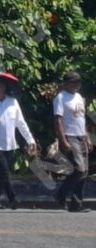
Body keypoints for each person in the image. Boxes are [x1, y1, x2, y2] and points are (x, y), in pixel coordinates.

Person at [0, 80, 37, 210]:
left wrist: (30, 140)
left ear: (3, 89)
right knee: (3, 170)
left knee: (0, 174)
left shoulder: (13, 102)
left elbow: (21, 123)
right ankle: (13, 198)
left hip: (9, 143)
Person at [52, 71, 90, 212]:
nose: (76, 85)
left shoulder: (79, 97)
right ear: (66, 83)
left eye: (78, 82)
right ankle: (60, 194)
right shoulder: (61, 98)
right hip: (70, 135)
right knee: (79, 169)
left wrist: (86, 137)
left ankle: (76, 203)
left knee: (84, 171)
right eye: (73, 82)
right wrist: (63, 140)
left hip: (80, 135)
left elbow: (81, 118)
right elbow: (58, 119)